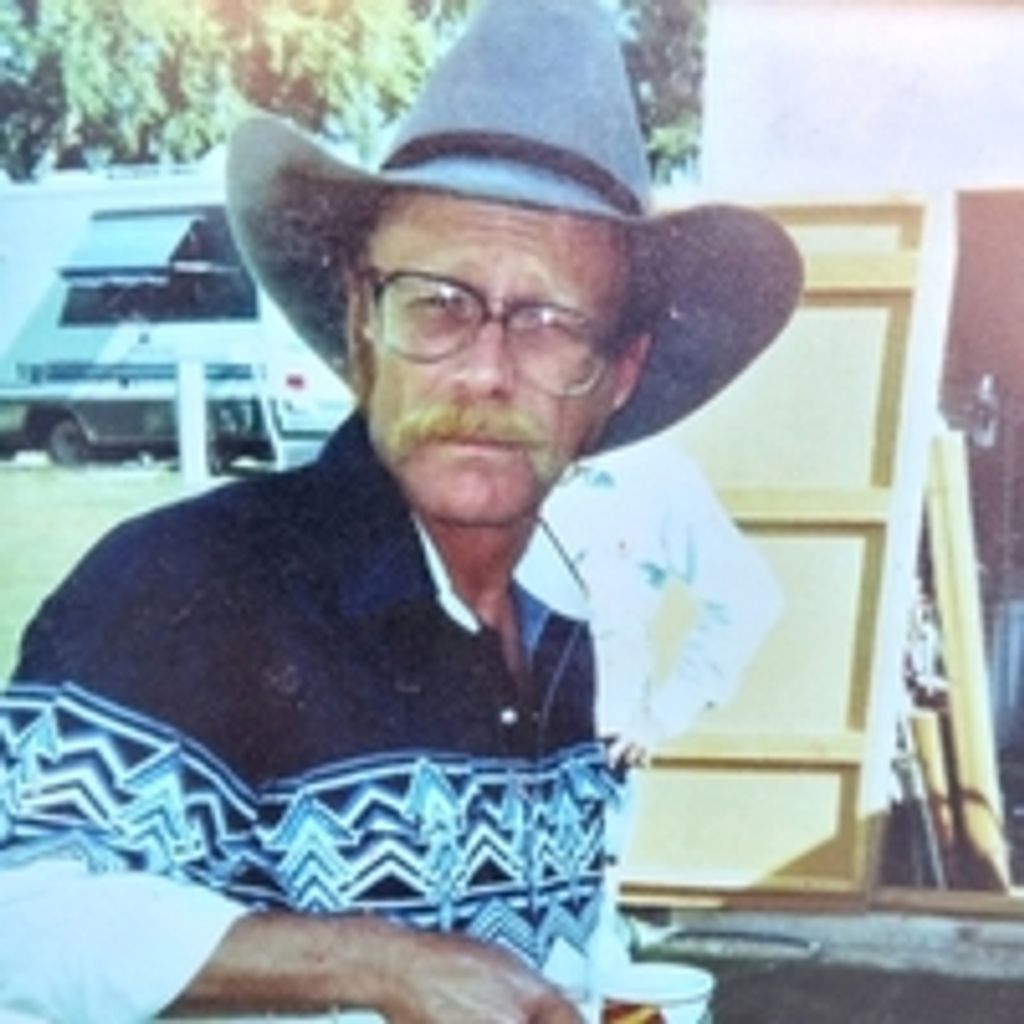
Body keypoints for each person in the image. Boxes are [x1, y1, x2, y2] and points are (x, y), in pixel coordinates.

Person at [0, 0, 802, 1021]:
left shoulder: (565, 625)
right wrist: (376, 964)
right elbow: (18, 920)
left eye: (551, 322)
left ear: (618, 374)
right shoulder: (195, 579)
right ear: (360, 325)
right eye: (437, 302)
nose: (485, 371)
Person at [520, 432, 784, 770]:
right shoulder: (472, 462)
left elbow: (748, 595)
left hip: (595, 750)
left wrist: (662, 716)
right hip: (475, 752)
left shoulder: (655, 472)